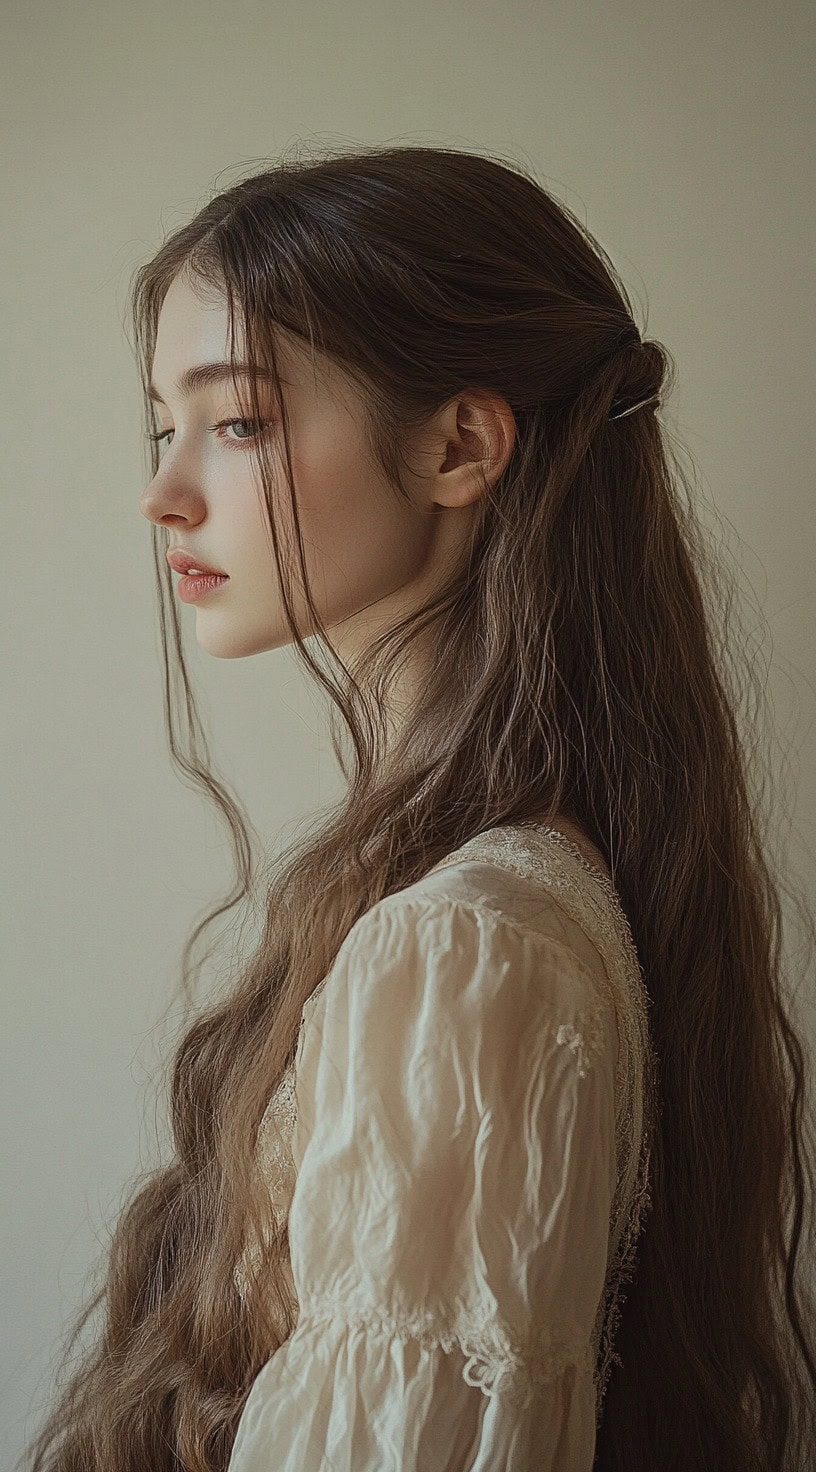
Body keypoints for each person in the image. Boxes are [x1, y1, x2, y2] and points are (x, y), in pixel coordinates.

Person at [25, 143, 816, 1472]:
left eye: (240, 422)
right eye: (163, 426)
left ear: (461, 444)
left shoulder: (466, 948)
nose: (163, 492)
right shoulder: (494, 893)